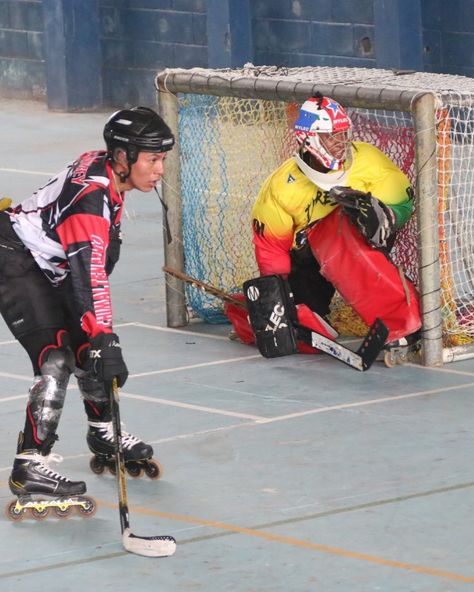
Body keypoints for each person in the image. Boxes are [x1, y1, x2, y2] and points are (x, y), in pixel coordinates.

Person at [1, 106, 174, 514]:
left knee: (90, 351)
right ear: (122, 158)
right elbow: (89, 274)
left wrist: (98, 341)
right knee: (57, 357)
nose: (159, 169)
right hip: (16, 258)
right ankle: (30, 465)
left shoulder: (105, 169)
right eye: (152, 159)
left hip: (48, 264)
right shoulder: (90, 204)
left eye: (162, 158)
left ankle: (104, 433)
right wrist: (104, 336)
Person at [225, 93, 421, 356]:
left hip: (360, 243)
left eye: (343, 133)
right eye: (332, 135)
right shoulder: (281, 186)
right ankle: (246, 312)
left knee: (344, 221)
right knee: (294, 327)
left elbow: (403, 201)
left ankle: (400, 323)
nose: (341, 142)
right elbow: (271, 246)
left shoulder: (369, 159)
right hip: (309, 259)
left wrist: (385, 215)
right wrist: (278, 295)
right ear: (309, 139)